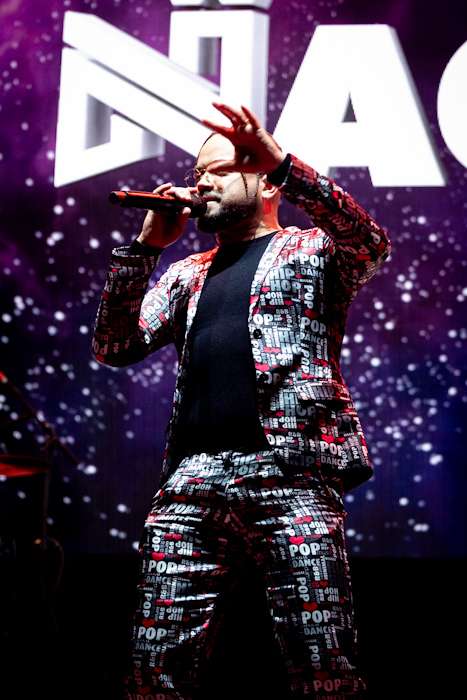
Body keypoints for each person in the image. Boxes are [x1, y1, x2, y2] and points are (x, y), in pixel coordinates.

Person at [92, 101, 391, 699]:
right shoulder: (187, 273)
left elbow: (369, 242)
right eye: (199, 172)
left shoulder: (309, 251)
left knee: (323, 666)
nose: (203, 181)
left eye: (224, 169)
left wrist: (284, 164)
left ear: (266, 182)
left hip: (292, 474)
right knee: (154, 671)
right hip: (193, 478)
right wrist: (145, 249)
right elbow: (114, 345)